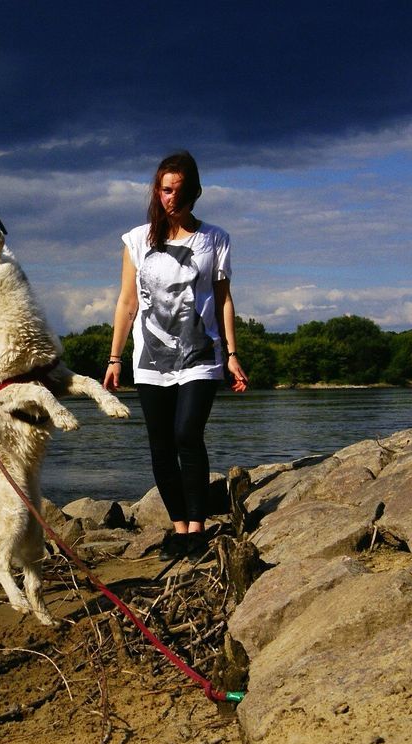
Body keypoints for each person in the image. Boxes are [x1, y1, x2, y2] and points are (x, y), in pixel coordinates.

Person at [103, 150, 249, 558]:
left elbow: (223, 301)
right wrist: (115, 358)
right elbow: (127, 302)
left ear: (195, 192)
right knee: (161, 444)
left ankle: (198, 526)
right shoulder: (136, 240)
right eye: (166, 190)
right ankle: (179, 527)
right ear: (157, 190)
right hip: (149, 360)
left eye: (180, 192)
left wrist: (233, 353)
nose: (172, 199)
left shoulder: (214, 239)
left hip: (203, 355)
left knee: (187, 433)